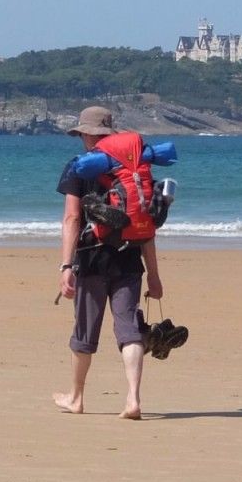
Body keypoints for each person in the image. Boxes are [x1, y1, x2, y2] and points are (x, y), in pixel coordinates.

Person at [51, 106, 164, 420]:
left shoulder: (78, 168)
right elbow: (147, 226)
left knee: (85, 333)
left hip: (91, 259)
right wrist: (154, 276)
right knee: (129, 331)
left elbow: (72, 217)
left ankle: (76, 398)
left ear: (87, 134)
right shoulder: (137, 168)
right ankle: (133, 399)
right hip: (129, 258)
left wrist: (65, 266)